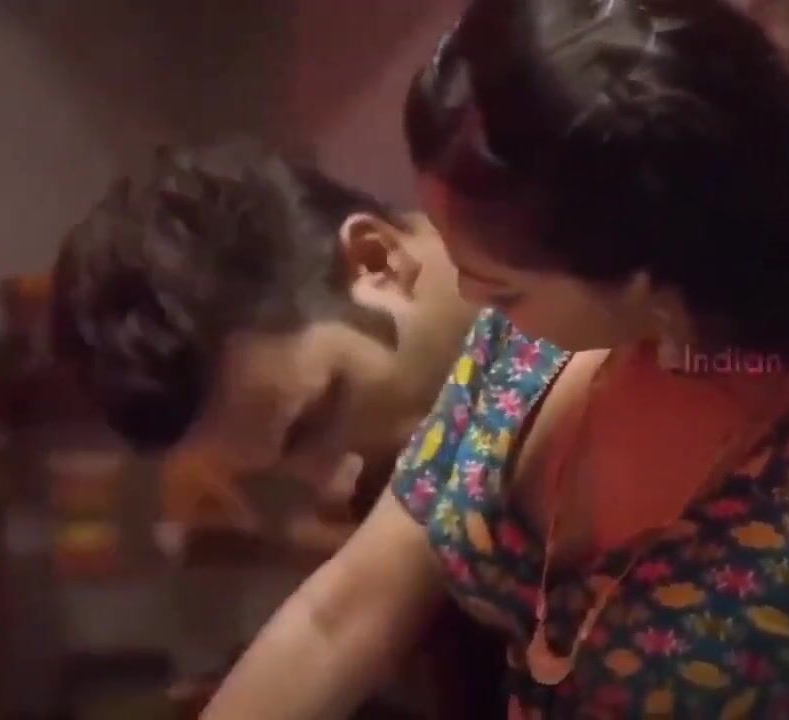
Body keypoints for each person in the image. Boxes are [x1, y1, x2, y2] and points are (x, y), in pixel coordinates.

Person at [201, 0, 789, 718]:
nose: (465, 294)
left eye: (503, 287)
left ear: (648, 271)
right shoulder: (523, 353)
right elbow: (339, 616)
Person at [48, 142, 500, 717]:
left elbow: (339, 620)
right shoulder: (419, 442)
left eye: (318, 415)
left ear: (375, 261)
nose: (334, 483)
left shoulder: (577, 305)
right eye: (281, 467)